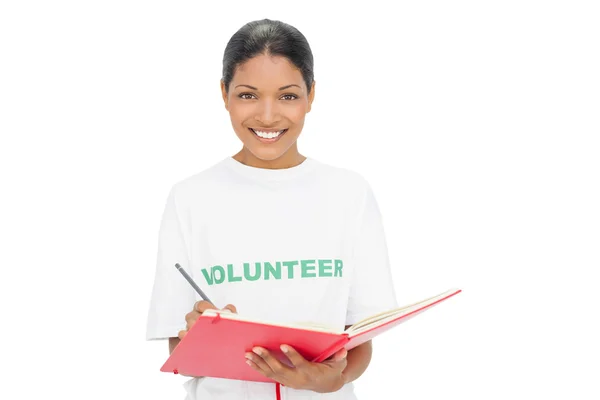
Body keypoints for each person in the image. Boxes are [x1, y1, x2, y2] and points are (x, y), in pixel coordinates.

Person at [146, 18, 398, 400]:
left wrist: (337, 379)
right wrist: (202, 335)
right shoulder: (190, 198)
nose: (267, 116)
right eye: (247, 95)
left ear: (311, 95)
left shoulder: (349, 193)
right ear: (224, 93)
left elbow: (361, 334)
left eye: (288, 95)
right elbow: (178, 351)